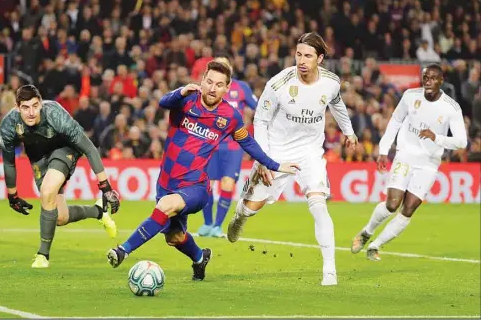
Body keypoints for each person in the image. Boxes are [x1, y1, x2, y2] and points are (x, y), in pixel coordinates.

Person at [106, 58, 299, 281]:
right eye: (209, 82)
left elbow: (247, 142)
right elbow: (163, 103)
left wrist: (275, 164)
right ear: (202, 80)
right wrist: (180, 92)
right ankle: (200, 257)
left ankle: (123, 250)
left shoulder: (229, 117)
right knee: (175, 237)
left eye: (219, 85)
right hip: (166, 182)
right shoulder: (186, 100)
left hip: (196, 187)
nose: (212, 88)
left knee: (164, 206)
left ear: (227, 88)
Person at [226, 32, 358, 286]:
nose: (301, 60)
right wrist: (263, 159)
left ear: (319, 58)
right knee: (252, 207)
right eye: (298, 54)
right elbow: (261, 120)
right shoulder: (278, 83)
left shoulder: (330, 83)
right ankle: (240, 216)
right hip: (276, 151)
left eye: (308, 55)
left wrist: (349, 131)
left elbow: (337, 105)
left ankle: (329, 271)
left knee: (318, 204)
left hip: (310, 151)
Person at [351, 64, 467, 260]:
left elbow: (461, 141)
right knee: (392, 204)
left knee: (409, 208)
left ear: (441, 81)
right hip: (405, 155)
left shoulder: (451, 108)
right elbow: (395, 121)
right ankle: (367, 233)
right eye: (425, 77)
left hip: (429, 163)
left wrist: (436, 138)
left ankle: (376, 246)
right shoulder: (410, 96)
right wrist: (383, 150)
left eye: (432, 78)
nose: (428, 81)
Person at [0, 85, 120, 268]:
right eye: (25, 107)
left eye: (35, 106)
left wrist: (105, 186)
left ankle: (42, 255)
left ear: (40, 104)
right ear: (17, 107)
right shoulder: (9, 125)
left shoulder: (54, 114)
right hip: (39, 160)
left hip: (64, 150)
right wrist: (12, 195)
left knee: (47, 192)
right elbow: (9, 162)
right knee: (59, 217)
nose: (31, 112)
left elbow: (89, 148)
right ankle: (98, 211)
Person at [199, 65, 258, 238]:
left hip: (232, 146)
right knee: (206, 185)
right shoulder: (208, 89)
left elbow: (258, 107)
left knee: (227, 183)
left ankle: (217, 226)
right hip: (211, 143)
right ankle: (207, 223)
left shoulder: (241, 88)